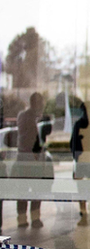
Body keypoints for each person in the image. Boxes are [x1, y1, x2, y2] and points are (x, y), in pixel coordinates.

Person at [14, 92, 45, 228]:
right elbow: (34, 140)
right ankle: (34, 218)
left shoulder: (22, 116)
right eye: (41, 103)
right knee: (35, 190)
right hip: (31, 159)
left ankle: (22, 218)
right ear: (36, 103)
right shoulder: (33, 118)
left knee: (23, 190)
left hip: (23, 158)